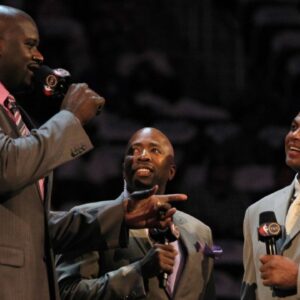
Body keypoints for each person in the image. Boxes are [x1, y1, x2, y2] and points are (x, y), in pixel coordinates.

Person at [0, 6, 187, 300]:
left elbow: (37, 227)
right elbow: (7, 167)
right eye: (30, 45)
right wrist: (70, 118)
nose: (39, 57)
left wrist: (121, 214)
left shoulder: (14, 113)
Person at [56, 127, 216, 300]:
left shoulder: (200, 232)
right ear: (123, 168)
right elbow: (66, 293)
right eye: (134, 151)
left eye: (154, 150)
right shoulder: (89, 219)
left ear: (171, 171)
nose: (143, 156)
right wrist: (138, 271)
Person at [241, 112, 300, 299]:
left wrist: (297, 279)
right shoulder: (257, 211)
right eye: (293, 127)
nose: (294, 136)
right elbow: (250, 290)